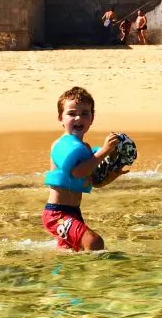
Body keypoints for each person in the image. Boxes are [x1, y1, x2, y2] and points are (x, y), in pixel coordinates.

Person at [41, 86, 126, 251]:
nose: (78, 118)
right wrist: (104, 151)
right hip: (57, 213)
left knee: (70, 254)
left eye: (85, 114)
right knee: (94, 242)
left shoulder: (85, 149)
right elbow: (77, 171)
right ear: (60, 118)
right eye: (72, 114)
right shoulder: (61, 145)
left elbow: (90, 180)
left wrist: (110, 176)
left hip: (73, 212)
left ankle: (58, 276)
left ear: (92, 118)